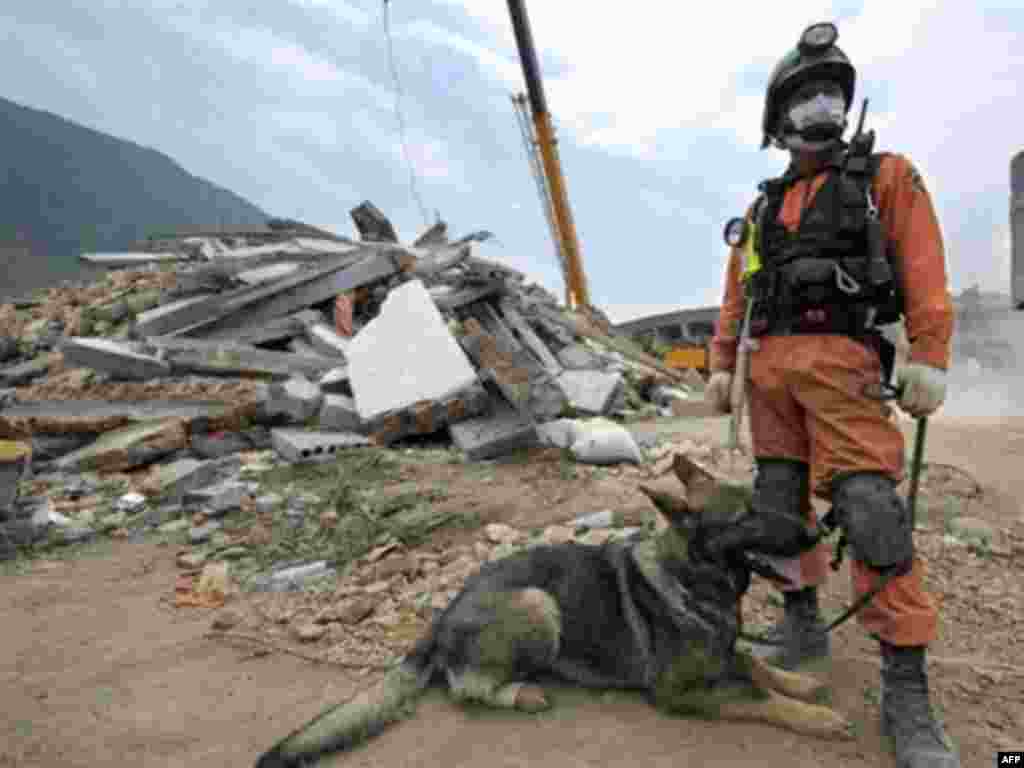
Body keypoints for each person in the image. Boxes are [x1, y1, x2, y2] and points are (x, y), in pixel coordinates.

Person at [705, 22, 959, 768]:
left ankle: (906, 693)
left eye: (830, 92)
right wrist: (722, 363)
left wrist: (931, 354)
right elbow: (736, 293)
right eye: (806, 93)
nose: (822, 103)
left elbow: (923, 268)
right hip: (770, 376)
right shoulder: (761, 210)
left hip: (846, 369)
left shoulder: (886, 178)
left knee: (872, 512)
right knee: (777, 505)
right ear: (777, 118)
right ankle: (801, 623)